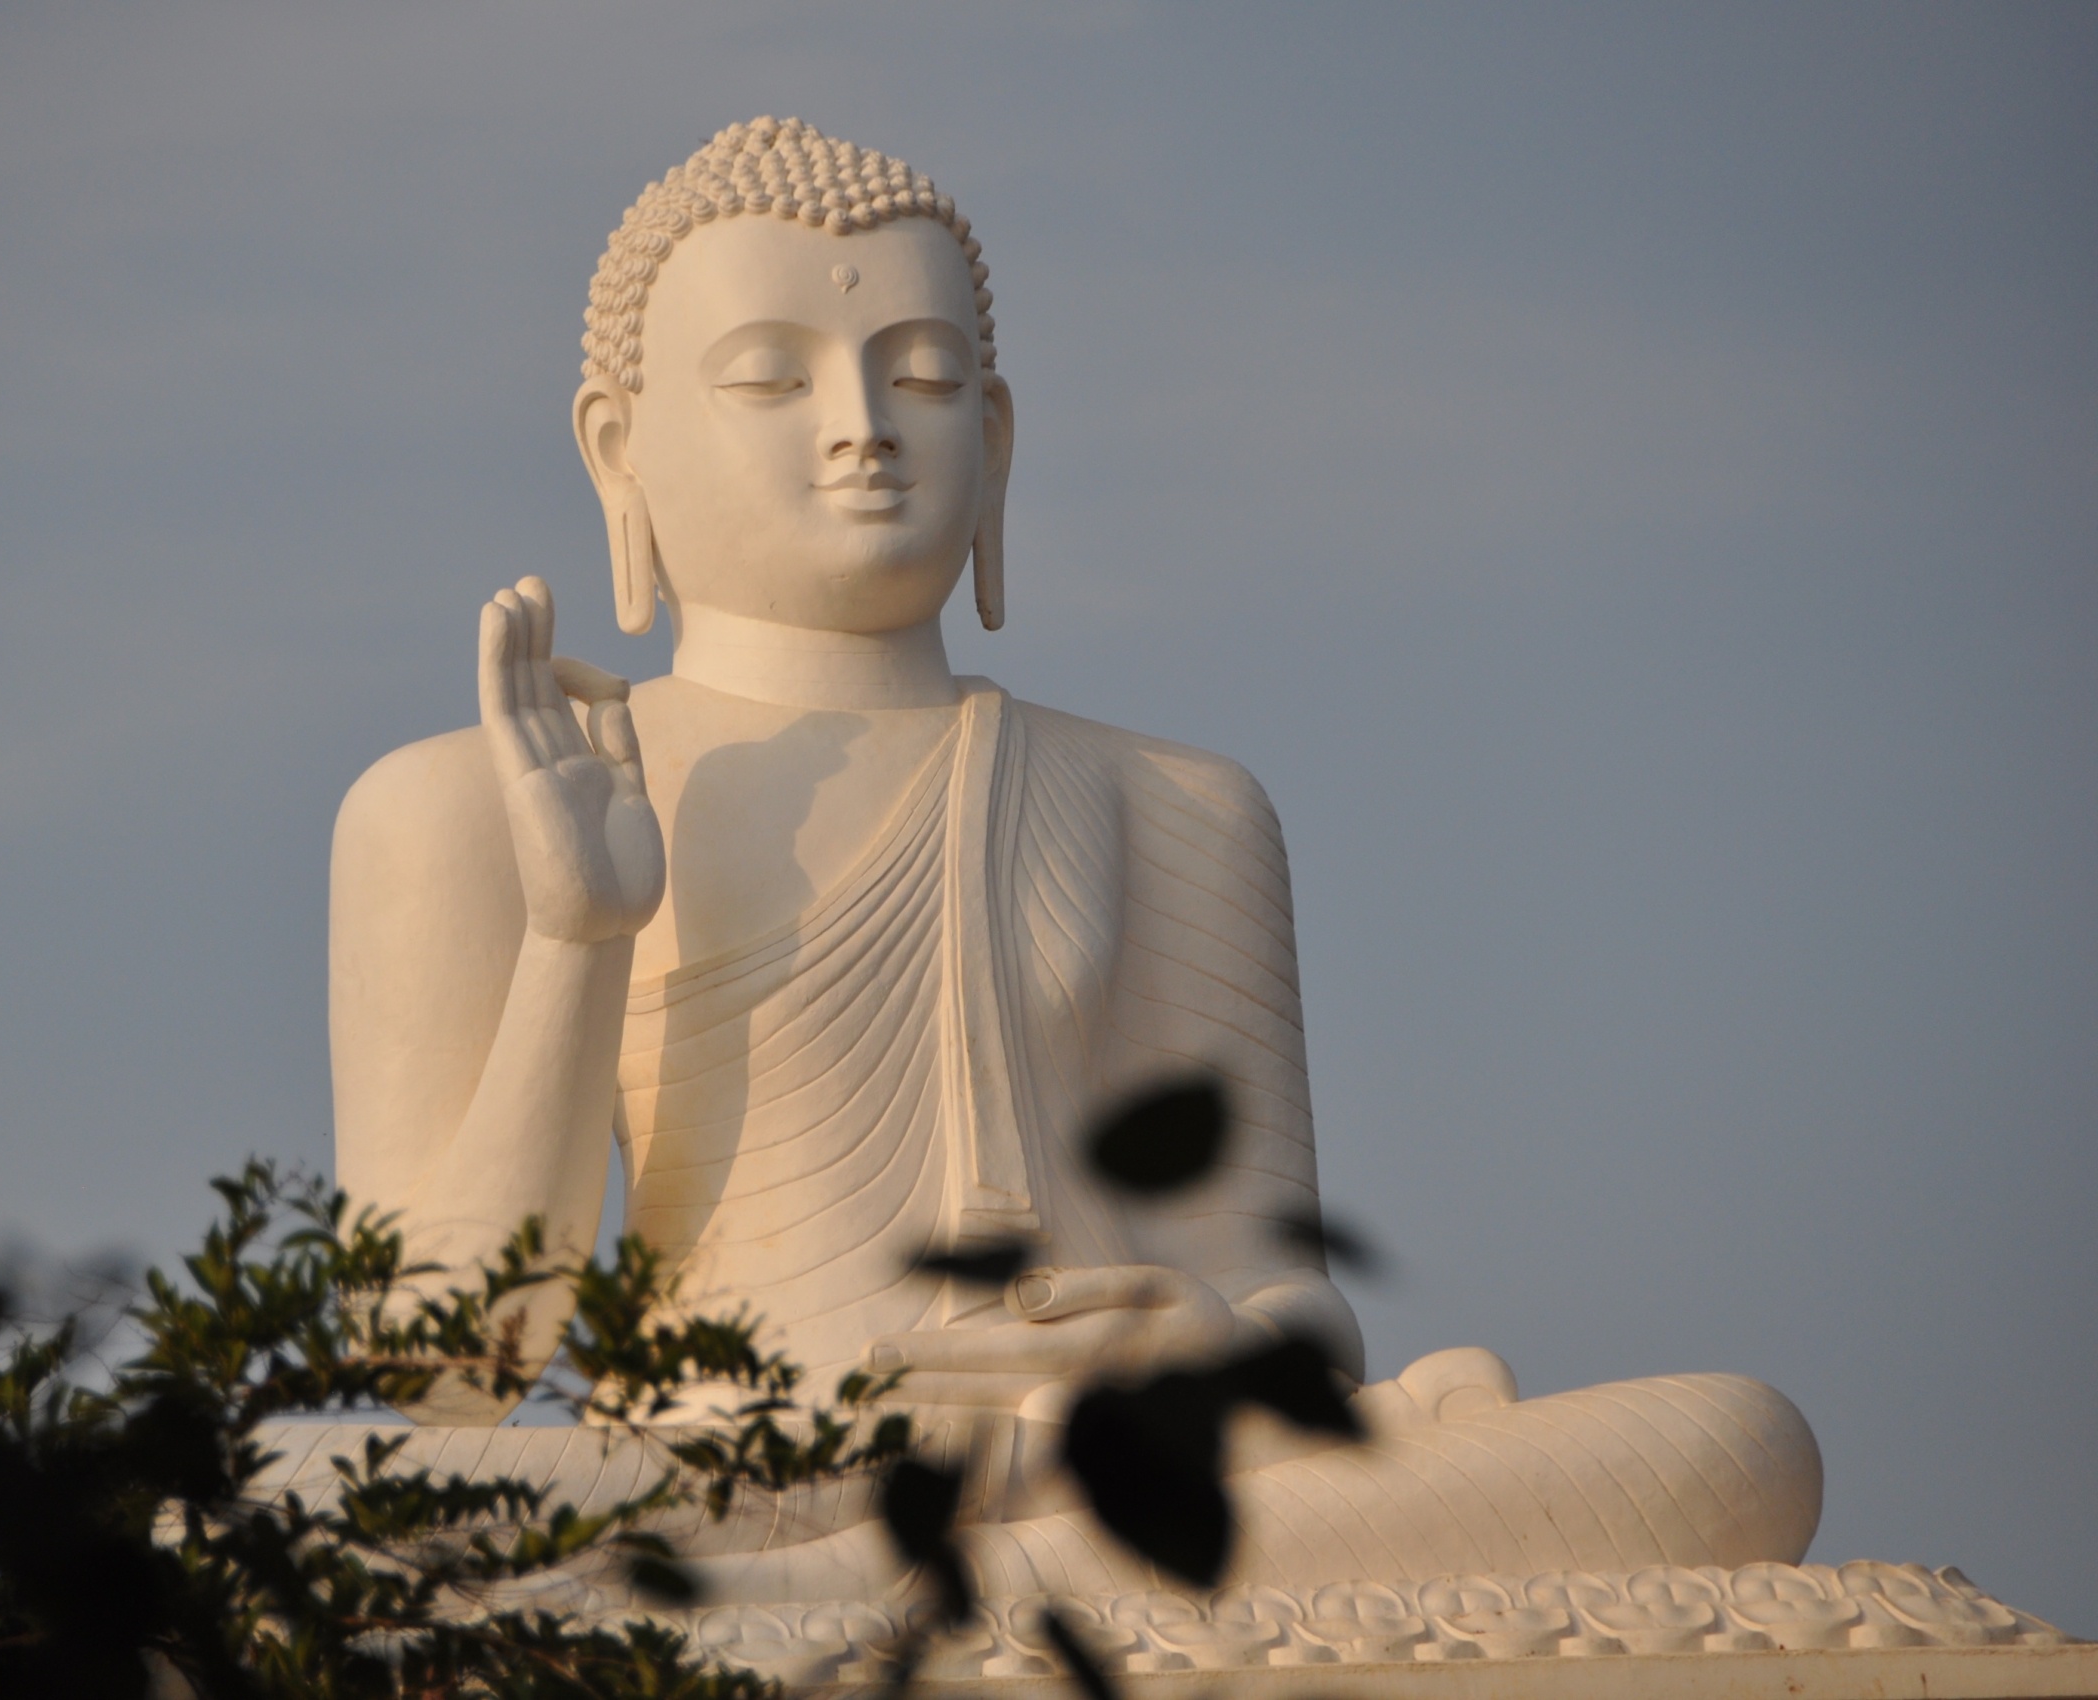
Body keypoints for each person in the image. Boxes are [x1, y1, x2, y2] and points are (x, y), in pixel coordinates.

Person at [325, 117, 1819, 1598]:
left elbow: (1280, 1295)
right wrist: (577, 938)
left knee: (1736, 1443)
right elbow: (442, 1375)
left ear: (1000, 435)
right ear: (618, 448)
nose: (862, 426)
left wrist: (1211, 1340)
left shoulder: (1173, 800)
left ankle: (863, 1597)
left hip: (1112, 1458)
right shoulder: (475, 803)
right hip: (740, 1480)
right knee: (318, 1497)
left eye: (921, 375)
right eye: (771, 380)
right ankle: (867, 1571)